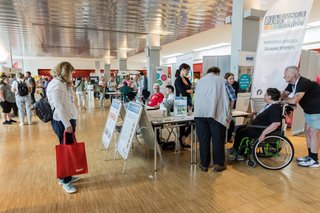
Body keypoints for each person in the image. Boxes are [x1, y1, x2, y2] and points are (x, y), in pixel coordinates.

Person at [194, 67, 236, 172]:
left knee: (203, 140)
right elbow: (232, 97)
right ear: (217, 73)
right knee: (217, 140)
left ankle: (204, 164)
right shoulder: (223, 81)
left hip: (200, 114)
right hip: (216, 114)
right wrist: (229, 109)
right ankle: (219, 164)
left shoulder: (199, 82)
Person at [46, 62, 80, 194]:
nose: (72, 75)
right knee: (67, 151)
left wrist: (70, 87)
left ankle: (65, 176)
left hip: (65, 119)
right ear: (65, 73)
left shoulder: (61, 84)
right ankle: (66, 181)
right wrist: (67, 125)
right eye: (71, 73)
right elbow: (59, 107)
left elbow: (69, 100)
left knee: (66, 149)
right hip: (63, 121)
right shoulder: (56, 85)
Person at [282, 65, 320, 168]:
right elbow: (283, 95)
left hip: (317, 111)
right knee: (307, 132)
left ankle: (314, 160)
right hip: (309, 110)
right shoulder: (292, 84)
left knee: (313, 134)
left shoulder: (303, 82)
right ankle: (310, 156)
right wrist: (285, 99)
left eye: (286, 75)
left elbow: (294, 100)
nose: (284, 77)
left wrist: (288, 101)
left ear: (293, 75)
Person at [228, 88, 282, 160]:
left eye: (265, 94)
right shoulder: (270, 105)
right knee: (239, 128)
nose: (264, 96)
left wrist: (263, 133)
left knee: (241, 132)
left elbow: (276, 123)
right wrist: (255, 113)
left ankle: (240, 153)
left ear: (270, 97)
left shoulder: (275, 107)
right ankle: (235, 149)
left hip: (261, 130)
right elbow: (266, 115)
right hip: (257, 127)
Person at [224, 72, 240, 142]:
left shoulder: (236, 84)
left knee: (232, 122)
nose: (232, 80)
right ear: (226, 79)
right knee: (229, 122)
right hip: (225, 107)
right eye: (230, 79)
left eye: (233, 78)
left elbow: (234, 97)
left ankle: (229, 137)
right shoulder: (224, 85)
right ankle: (225, 138)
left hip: (233, 106)